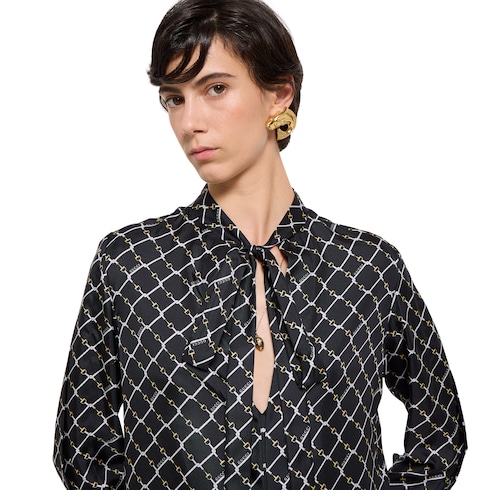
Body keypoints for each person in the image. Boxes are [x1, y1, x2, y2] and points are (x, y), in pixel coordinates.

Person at [53, 0, 467, 488]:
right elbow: (81, 448)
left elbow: (440, 433)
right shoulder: (130, 263)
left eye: (216, 88)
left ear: (279, 95)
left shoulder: (368, 268)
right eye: (174, 98)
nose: (189, 122)